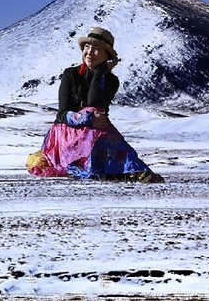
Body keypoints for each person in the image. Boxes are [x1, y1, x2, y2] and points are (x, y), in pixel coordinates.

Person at [27, 26, 163, 183]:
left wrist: (100, 72)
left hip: (95, 131)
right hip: (65, 133)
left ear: (107, 56)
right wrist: (87, 119)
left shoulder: (112, 81)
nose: (90, 53)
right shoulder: (70, 74)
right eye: (87, 47)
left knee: (97, 119)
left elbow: (95, 102)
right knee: (94, 116)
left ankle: (128, 170)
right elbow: (62, 114)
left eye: (97, 49)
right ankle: (124, 171)